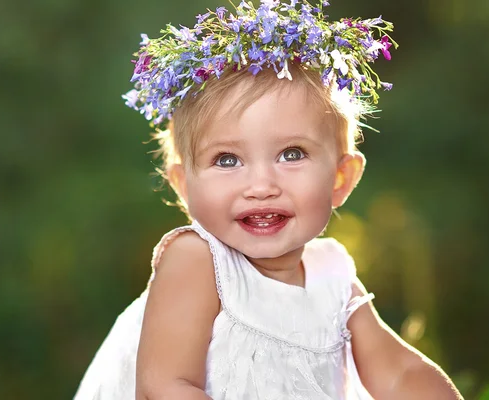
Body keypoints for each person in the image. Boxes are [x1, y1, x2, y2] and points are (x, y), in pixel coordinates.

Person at [74, 1, 463, 399]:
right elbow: (165, 386)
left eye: (291, 154)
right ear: (183, 186)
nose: (261, 185)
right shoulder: (197, 261)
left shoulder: (333, 278)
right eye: (227, 160)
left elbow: (398, 374)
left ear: (341, 178)